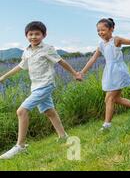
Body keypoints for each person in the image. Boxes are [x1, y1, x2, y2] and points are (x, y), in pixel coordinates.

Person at [0, 21, 82, 160]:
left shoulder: (48, 48)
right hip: (35, 87)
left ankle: (20, 146)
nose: (33, 37)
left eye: (37, 34)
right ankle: (63, 136)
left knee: (21, 111)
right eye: (30, 34)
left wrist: (75, 73)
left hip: (46, 84)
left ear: (43, 35)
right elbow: (21, 66)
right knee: (49, 111)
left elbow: (61, 61)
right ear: (26, 35)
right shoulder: (26, 51)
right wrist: (4, 76)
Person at [80, 18, 130, 131]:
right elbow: (93, 58)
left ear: (111, 29)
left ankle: (107, 125)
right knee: (115, 98)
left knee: (110, 98)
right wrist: (82, 72)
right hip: (109, 72)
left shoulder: (116, 40)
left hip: (118, 71)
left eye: (103, 30)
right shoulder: (101, 44)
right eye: (98, 31)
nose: (100, 33)